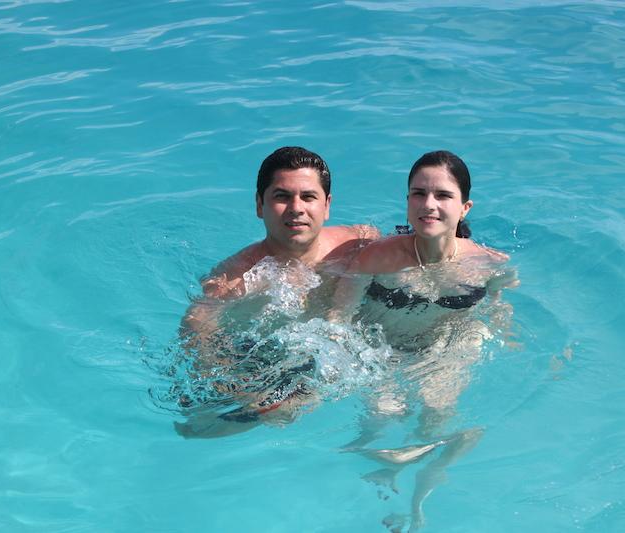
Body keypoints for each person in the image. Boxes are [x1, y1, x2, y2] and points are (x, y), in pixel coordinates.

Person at [334, 150, 516, 531]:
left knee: (437, 418)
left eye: (443, 195)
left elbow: (499, 311)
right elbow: (338, 319)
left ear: (464, 208)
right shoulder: (375, 259)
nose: (428, 204)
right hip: (382, 347)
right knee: (381, 417)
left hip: (444, 347)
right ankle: (382, 481)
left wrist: (511, 339)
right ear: (407, 202)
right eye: (418, 194)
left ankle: (422, 497)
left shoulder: (489, 264)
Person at [175, 146, 378, 437]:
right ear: (260, 205)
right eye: (282, 196)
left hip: (326, 345)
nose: (297, 208)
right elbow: (196, 324)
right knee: (196, 422)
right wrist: (240, 390)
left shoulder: (356, 242)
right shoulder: (238, 277)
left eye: (308, 196)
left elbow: (380, 240)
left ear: (327, 205)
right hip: (257, 355)